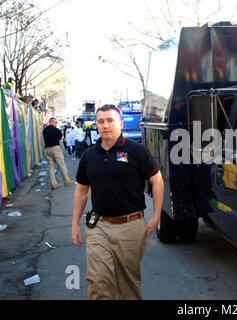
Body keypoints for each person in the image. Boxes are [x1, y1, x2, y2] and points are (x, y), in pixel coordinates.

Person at [71, 104, 164, 300]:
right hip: (99, 227)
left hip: (131, 226)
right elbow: (81, 190)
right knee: (99, 282)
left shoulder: (137, 151)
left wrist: (156, 217)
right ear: (96, 125)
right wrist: (74, 225)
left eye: (110, 120)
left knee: (128, 285)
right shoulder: (89, 156)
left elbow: (157, 181)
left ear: (120, 123)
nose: (105, 125)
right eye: (101, 121)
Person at [42, 118, 75, 190]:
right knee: (62, 165)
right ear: (51, 122)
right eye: (55, 122)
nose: (56, 124)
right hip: (55, 148)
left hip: (47, 149)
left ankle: (54, 184)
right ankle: (67, 181)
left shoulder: (44, 130)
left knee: (51, 167)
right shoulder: (55, 129)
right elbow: (61, 137)